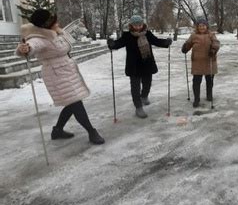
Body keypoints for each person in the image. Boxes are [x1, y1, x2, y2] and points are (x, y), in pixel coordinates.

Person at [16, 8, 105, 144]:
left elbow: (67, 44)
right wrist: (25, 48)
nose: (57, 22)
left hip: (67, 71)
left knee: (72, 103)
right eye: (53, 20)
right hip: (56, 74)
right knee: (75, 103)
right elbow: (32, 45)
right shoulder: (39, 38)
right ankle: (91, 132)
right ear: (46, 24)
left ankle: (57, 130)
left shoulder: (55, 33)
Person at [107, 14, 172, 118]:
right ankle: (138, 107)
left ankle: (144, 96)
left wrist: (166, 42)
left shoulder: (148, 34)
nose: (138, 27)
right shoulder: (127, 36)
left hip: (147, 64)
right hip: (134, 66)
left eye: (140, 24)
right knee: (135, 88)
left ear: (143, 24)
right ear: (131, 25)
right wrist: (112, 44)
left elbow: (156, 41)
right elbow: (119, 43)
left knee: (147, 84)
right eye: (135, 25)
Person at [181, 18, 220, 107]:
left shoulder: (211, 35)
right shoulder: (193, 35)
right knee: (196, 81)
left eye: (203, 25)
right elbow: (188, 43)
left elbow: (216, 43)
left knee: (209, 80)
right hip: (197, 62)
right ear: (197, 27)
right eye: (200, 26)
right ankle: (196, 99)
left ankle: (209, 95)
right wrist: (185, 48)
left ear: (206, 26)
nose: (202, 27)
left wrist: (213, 50)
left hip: (209, 60)